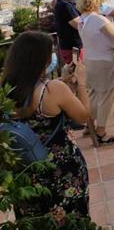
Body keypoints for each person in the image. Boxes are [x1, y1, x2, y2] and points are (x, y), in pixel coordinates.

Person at [3, 31, 91, 219]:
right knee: (70, 219)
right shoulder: (53, 90)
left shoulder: (6, 90)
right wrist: (82, 83)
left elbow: (30, 92)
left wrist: (62, 82)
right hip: (60, 170)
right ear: (40, 59)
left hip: (25, 173)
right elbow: (83, 116)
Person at [77, 0, 114, 144]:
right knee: (108, 95)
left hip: (91, 60)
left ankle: (89, 125)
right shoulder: (98, 19)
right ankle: (101, 131)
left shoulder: (82, 20)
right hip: (106, 60)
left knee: (94, 94)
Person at [53, 0, 82, 64]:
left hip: (72, 46)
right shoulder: (65, 5)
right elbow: (79, 25)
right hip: (73, 48)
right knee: (76, 73)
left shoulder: (66, 4)